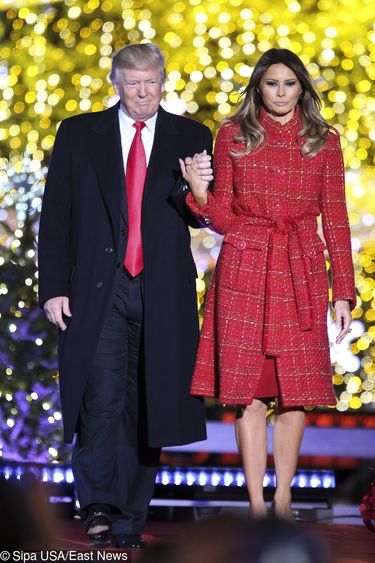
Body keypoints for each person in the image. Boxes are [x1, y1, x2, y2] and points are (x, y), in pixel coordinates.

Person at [38, 42, 213, 549]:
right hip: (98, 286)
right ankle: (97, 505)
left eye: (151, 82)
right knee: (102, 397)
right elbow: (57, 216)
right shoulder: (78, 133)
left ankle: (131, 517)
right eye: (133, 83)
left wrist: (198, 193)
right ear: (115, 82)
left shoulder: (190, 136)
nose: (143, 93)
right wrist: (53, 288)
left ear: (163, 82)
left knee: (150, 400)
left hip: (162, 291)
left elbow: (204, 215)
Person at [181, 48, 355, 520]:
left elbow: (335, 219)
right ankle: (257, 504)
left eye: (289, 84)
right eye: (272, 83)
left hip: (299, 267)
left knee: (295, 391)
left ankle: (283, 497)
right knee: (248, 393)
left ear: (302, 88)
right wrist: (199, 197)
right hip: (244, 269)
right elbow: (222, 218)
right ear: (258, 86)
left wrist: (343, 291)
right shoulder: (233, 135)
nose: (280, 93)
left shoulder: (324, 140)